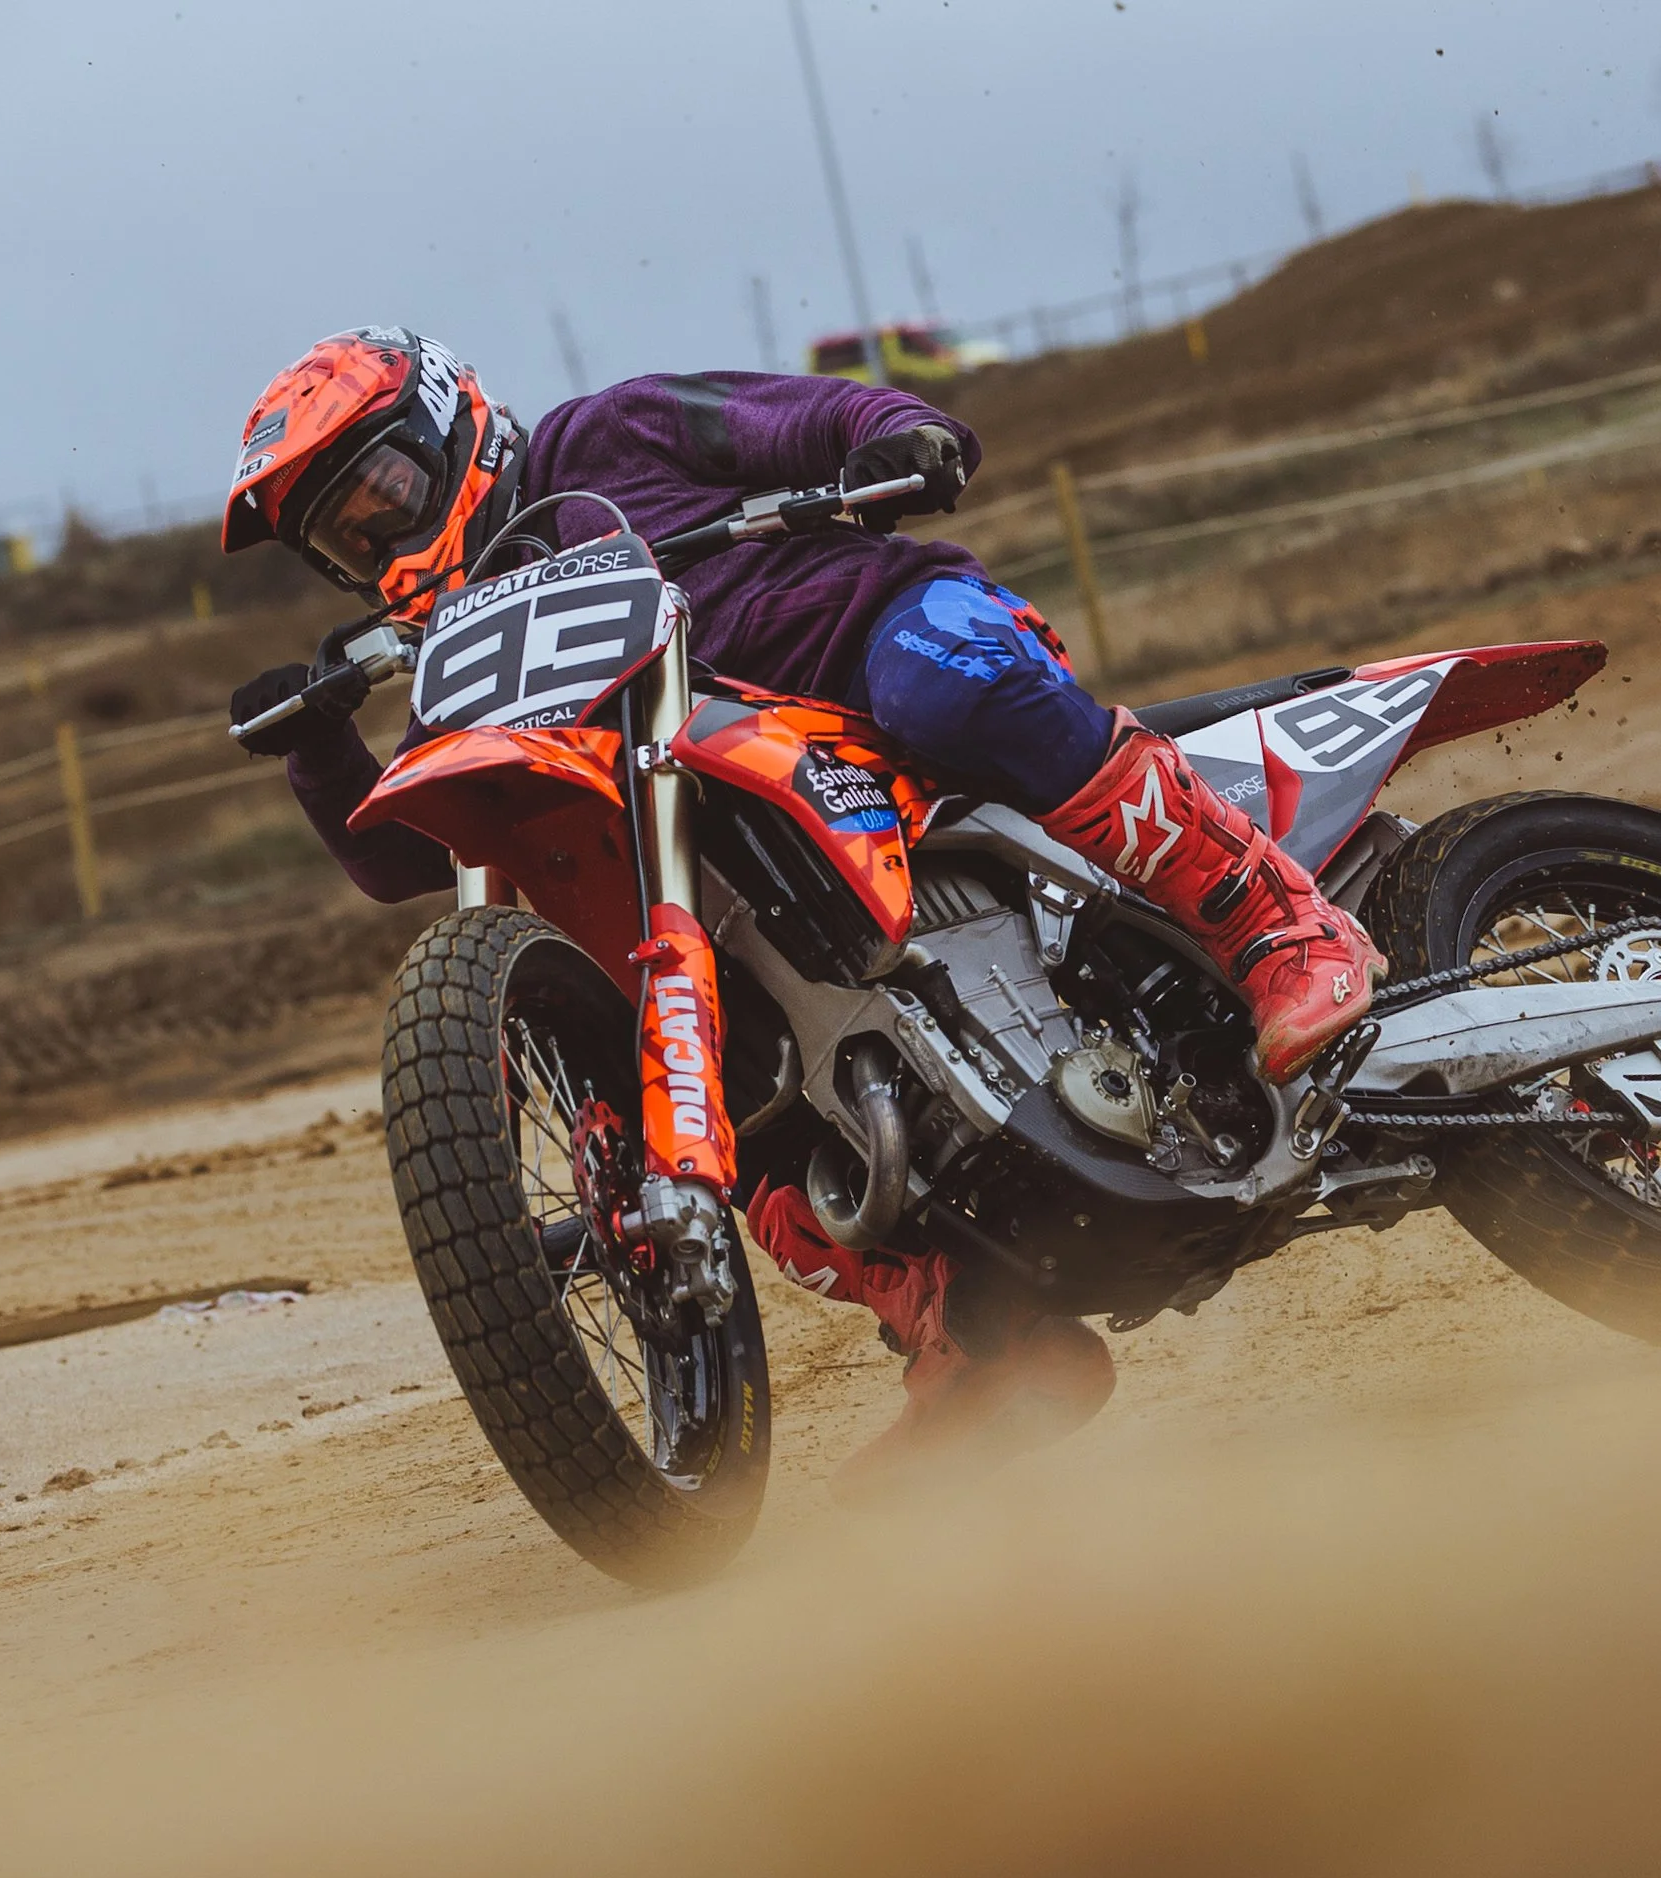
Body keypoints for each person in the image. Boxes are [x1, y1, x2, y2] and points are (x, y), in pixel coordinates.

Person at [223, 327, 1383, 1491]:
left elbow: (805, 417)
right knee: (719, 1089)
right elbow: (404, 858)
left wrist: (896, 441)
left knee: (941, 676)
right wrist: (319, 747)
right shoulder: (463, 650)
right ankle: (973, 1330)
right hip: (737, 840)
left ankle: (1275, 920)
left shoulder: (604, 435)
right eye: (341, 534)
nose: (374, 537)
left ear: (444, 426)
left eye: (380, 492)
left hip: (868, 640)